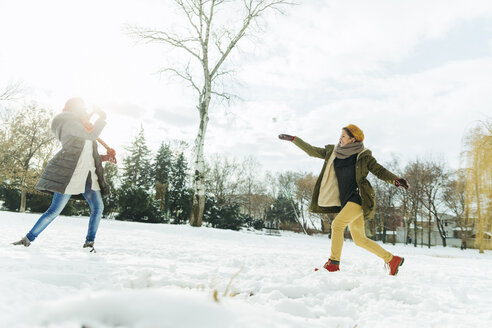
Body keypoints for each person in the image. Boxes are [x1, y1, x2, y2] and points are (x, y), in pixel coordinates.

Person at [279, 124, 409, 275]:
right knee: (360, 239)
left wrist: (396, 180)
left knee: (337, 225)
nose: (339, 138)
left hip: (358, 198)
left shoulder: (363, 156)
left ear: (353, 139)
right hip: (346, 201)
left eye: (343, 136)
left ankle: (333, 263)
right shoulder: (333, 152)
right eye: (340, 135)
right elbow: (312, 151)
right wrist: (294, 139)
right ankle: (392, 260)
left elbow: (379, 171)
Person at [12, 97, 116, 252]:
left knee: (98, 207)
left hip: (88, 176)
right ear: (74, 108)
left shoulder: (83, 126)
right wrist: (101, 118)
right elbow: (91, 135)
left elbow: (88, 154)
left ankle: (89, 243)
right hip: (70, 175)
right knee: (54, 211)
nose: (84, 110)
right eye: (82, 107)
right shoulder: (67, 123)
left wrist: (106, 157)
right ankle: (27, 239)